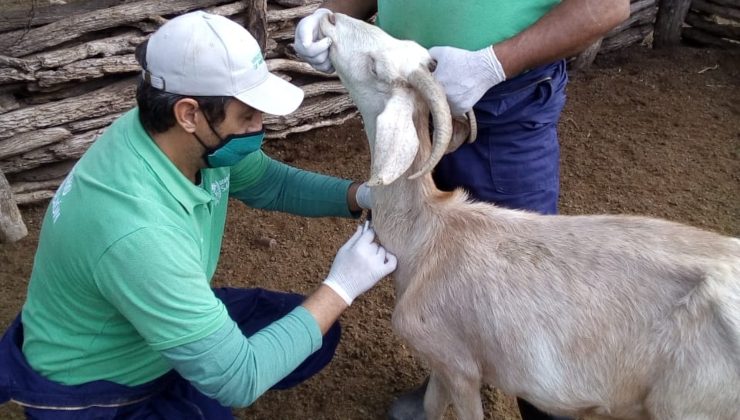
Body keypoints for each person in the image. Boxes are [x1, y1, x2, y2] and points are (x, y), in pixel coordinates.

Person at [0, 10, 397, 419]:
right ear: (189, 114)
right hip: (97, 382)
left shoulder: (172, 140)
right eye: (247, 115)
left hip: (140, 329)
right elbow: (239, 380)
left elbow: (267, 182)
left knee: (316, 335)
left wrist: (358, 197)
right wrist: (342, 287)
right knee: (244, 369)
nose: (260, 127)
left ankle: (197, 362)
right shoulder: (137, 232)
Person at [294, 1, 630, 419]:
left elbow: (607, 5)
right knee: (435, 264)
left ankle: (547, 410)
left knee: (524, 290)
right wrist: (329, 14)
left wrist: (494, 63)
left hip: (500, 103)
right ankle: (449, 371)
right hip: (411, 94)